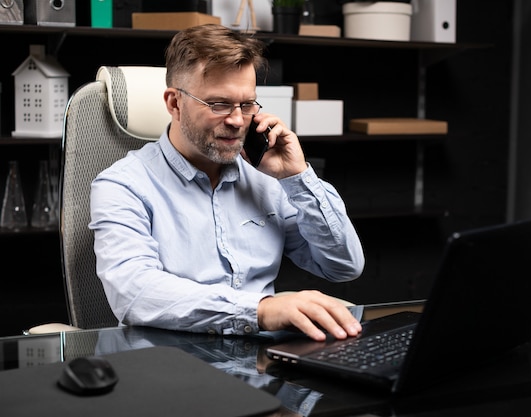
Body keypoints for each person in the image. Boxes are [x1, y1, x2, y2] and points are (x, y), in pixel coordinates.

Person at [89, 24, 365, 342]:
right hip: (168, 370)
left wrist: (297, 177)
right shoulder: (122, 184)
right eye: (219, 104)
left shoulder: (268, 179)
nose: (236, 121)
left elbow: (343, 266)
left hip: (261, 367)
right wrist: (260, 310)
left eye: (247, 105)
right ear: (174, 103)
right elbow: (134, 293)